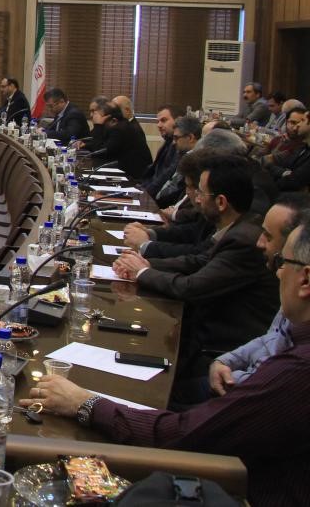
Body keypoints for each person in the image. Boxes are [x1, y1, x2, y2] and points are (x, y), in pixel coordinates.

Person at [33, 218, 310, 507]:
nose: (277, 272)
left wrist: (85, 403)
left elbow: (182, 435)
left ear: (305, 279)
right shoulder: (295, 343)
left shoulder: (297, 372)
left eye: (283, 262)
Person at [112, 156, 279, 396]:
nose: (196, 199)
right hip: (202, 337)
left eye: (201, 192)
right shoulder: (238, 227)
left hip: (216, 349)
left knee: (137, 382)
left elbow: (191, 287)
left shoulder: (245, 239)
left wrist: (144, 272)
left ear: (221, 202)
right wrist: (146, 264)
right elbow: (198, 261)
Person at [207, 199, 310, 398]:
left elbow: (271, 381)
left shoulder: (297, 301)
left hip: (245, 390)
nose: (259, 242)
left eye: (268, 236)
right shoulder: (291, 296)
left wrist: (232, 376)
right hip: (238, 376)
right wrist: (225, 361)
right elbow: (269, 340)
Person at [87, 101, 152, 179]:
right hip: (125, 174)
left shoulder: (120, 129)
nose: (101, 125)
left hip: (135, 178)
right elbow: (102, 144)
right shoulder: (119, 125)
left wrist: (98, 126)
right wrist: (85, 145)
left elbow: (100, 152)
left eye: (101, 120)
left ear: (113, 121)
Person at [142, 105, 184, 197]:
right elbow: (153, 174)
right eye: (158, 121)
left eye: (164, 120)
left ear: (179, 121)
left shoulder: (179, 147)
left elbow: (165, 177)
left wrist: (144, 194)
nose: (159, 125)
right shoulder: (168, 143)